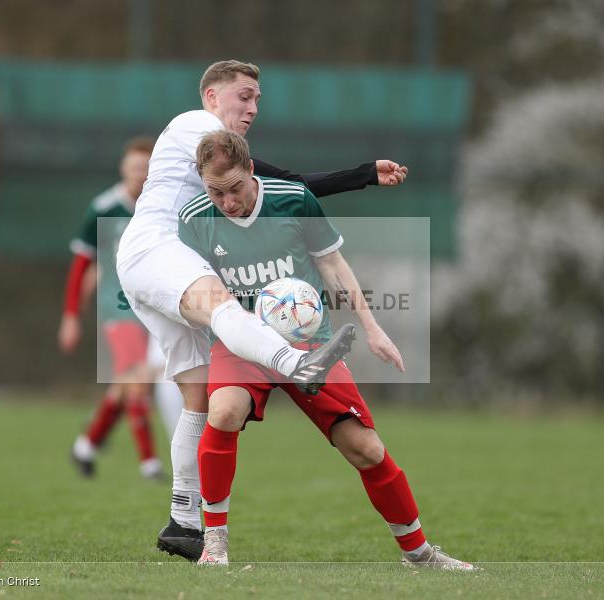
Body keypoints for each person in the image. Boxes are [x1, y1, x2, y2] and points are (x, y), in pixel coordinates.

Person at [115, 60, 410, 559]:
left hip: (149, 261)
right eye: (244, 96)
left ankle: (183, 523)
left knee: (199, 398)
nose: (252, 108)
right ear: (211, 96)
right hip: (157, 250)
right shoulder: (197, 125)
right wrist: (362, 174)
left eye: (256, 99)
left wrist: (363, 175)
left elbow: (277, 185)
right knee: (227, 311)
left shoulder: (217, 148)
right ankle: (296, 364)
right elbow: (275, 179)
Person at [181, 130, 475, 571]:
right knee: (223, 411)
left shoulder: (293, 200)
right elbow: (187, 288)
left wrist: (372, 328)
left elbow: (332, 264)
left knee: (366, 449)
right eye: (215, 191)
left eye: (235, 188)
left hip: (309, 344)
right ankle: (214, 545)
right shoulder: (194, 219)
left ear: (251, 170)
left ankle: (419, 553)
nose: (227, 201)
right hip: (240, 343)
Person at [59, 136, 171, 480]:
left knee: (125, 383)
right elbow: (82, 263)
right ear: (124, 168)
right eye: (135, 167)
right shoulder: (104, 207)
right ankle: (149, 463)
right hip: (118, 306)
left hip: (154, 307)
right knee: (137, 379)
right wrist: (71, 315)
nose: (140, 174)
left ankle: (86, 445)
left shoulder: (161, 207)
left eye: (146, 167)